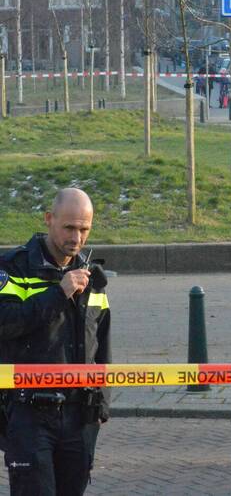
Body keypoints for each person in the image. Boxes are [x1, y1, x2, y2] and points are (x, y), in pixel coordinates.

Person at [0, 188, 110, 496]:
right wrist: (58, 294)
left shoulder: (91, 277)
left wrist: (102, 406)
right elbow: (5, 323)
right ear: (49, 220)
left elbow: (101, 344)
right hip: (30, 413)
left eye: (84, 229)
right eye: (69, 227)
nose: (76, 237)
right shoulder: (13, 268)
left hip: (80, 416)